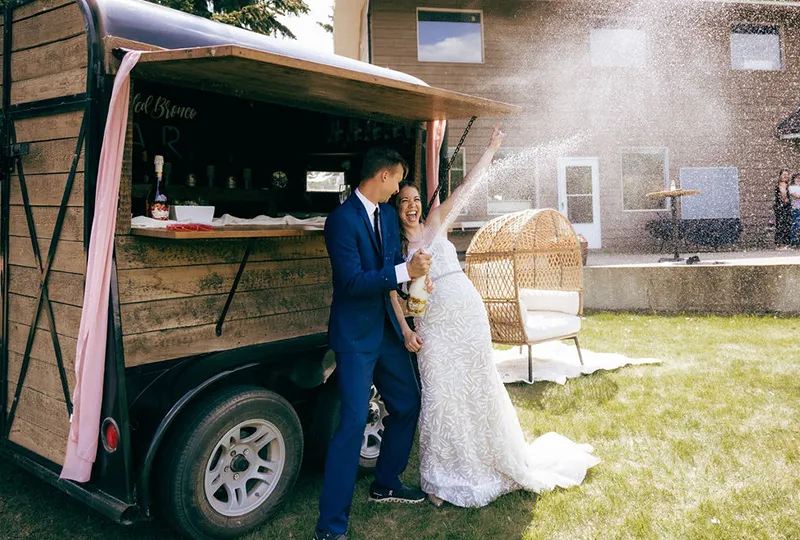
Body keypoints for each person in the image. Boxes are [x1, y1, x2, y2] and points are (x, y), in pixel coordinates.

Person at [390, 124, 600, 508]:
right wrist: (406, 320)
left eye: (416, 198)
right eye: (404, 200)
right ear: (394, 206)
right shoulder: (393, 245)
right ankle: (440, 478)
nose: (412, 205)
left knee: (478, 389)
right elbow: (394, 292)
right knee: (441, 396)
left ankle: (488, 462)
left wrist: (491, 148)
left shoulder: (435, 225)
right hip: (433, 326)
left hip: (467, 315)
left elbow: (466, 188)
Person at [315, 147, 433, 540]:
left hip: (386, 329)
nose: (400, 188)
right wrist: (403, 269)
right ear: (383, 176)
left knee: (407, 403)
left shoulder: (384, 213)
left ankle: (386, 483)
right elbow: (352, 282)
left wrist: (412, 282)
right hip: (354, 337)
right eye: (398, 179)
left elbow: (387, 274)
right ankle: (331, 527)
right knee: (350, 426)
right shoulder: (340, 221)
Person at [773, 169, 792, 248]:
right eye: (784, 174)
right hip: (782, 206)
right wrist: (785, 200)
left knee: (781, 224)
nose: (786, 176)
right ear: (780, 176)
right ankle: (782, 243)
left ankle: (780, 243)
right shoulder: (782, 184)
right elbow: (783, 193)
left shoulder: (782, 183)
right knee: (784, 224)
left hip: (780, 206)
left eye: (787, 174)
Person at [789, 172, 800, 246]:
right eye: (797, 178)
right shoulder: (791, 187)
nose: (798, 179)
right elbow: (796, 196)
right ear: (794, 179)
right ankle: (794, 242)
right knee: (796, 225)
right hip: (796, 209)